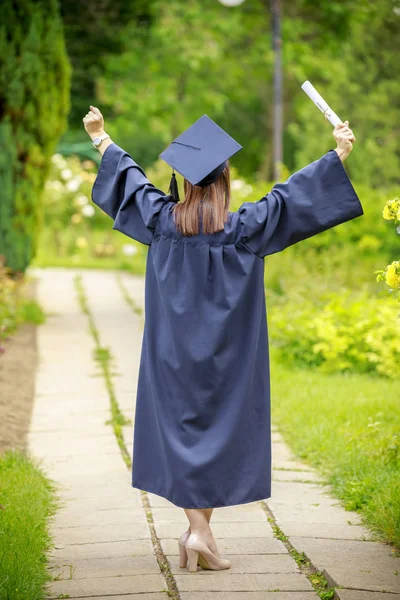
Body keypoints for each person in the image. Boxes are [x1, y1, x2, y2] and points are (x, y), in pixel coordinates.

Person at [83, 106, 363, 573]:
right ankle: (200, 533)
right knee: (219, 430)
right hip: (230, 360)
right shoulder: (246, 228)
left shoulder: (160, 221)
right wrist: (338, 152)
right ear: (225, 181)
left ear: (188, 182)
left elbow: (129, 181)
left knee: (181, 428)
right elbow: (292, 197)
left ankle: (198, 532)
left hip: (171, 355)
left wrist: (100, 137)